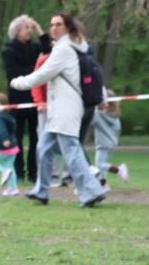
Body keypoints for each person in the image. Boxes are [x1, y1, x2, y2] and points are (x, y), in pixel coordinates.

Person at [10, 13, 106, 208]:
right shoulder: (68, 46)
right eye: (51, 24)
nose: (53, 28)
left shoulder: (64, 49)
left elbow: (42, 75)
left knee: (71, 151)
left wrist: (17, 82)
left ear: (68, 27)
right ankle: (41, 191)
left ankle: (92, 191)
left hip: (66, 109)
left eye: (58, 24)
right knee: (43, 148)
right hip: (59, 110)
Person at [1, 15, 46, 183]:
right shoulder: (8, 51)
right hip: (18, 98)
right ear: (17, 31)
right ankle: (19, 172)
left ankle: (33, 173)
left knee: (36, 137)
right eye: (26, 28)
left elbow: (47, 47)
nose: (29, 31)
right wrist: (36, 73)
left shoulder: (35, 48)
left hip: (35, 98)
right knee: (17, 137)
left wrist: (38, 28)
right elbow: (12, 74)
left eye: (30, 28)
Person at [91, 92, 129, 190]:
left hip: (102, 144)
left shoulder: (97, 114)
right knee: (103, 165)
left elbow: (90, 120)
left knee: (99, 164)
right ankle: (103, 185)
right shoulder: (115, 116)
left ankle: (119, 170)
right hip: (112, 144)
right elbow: (118, 130)